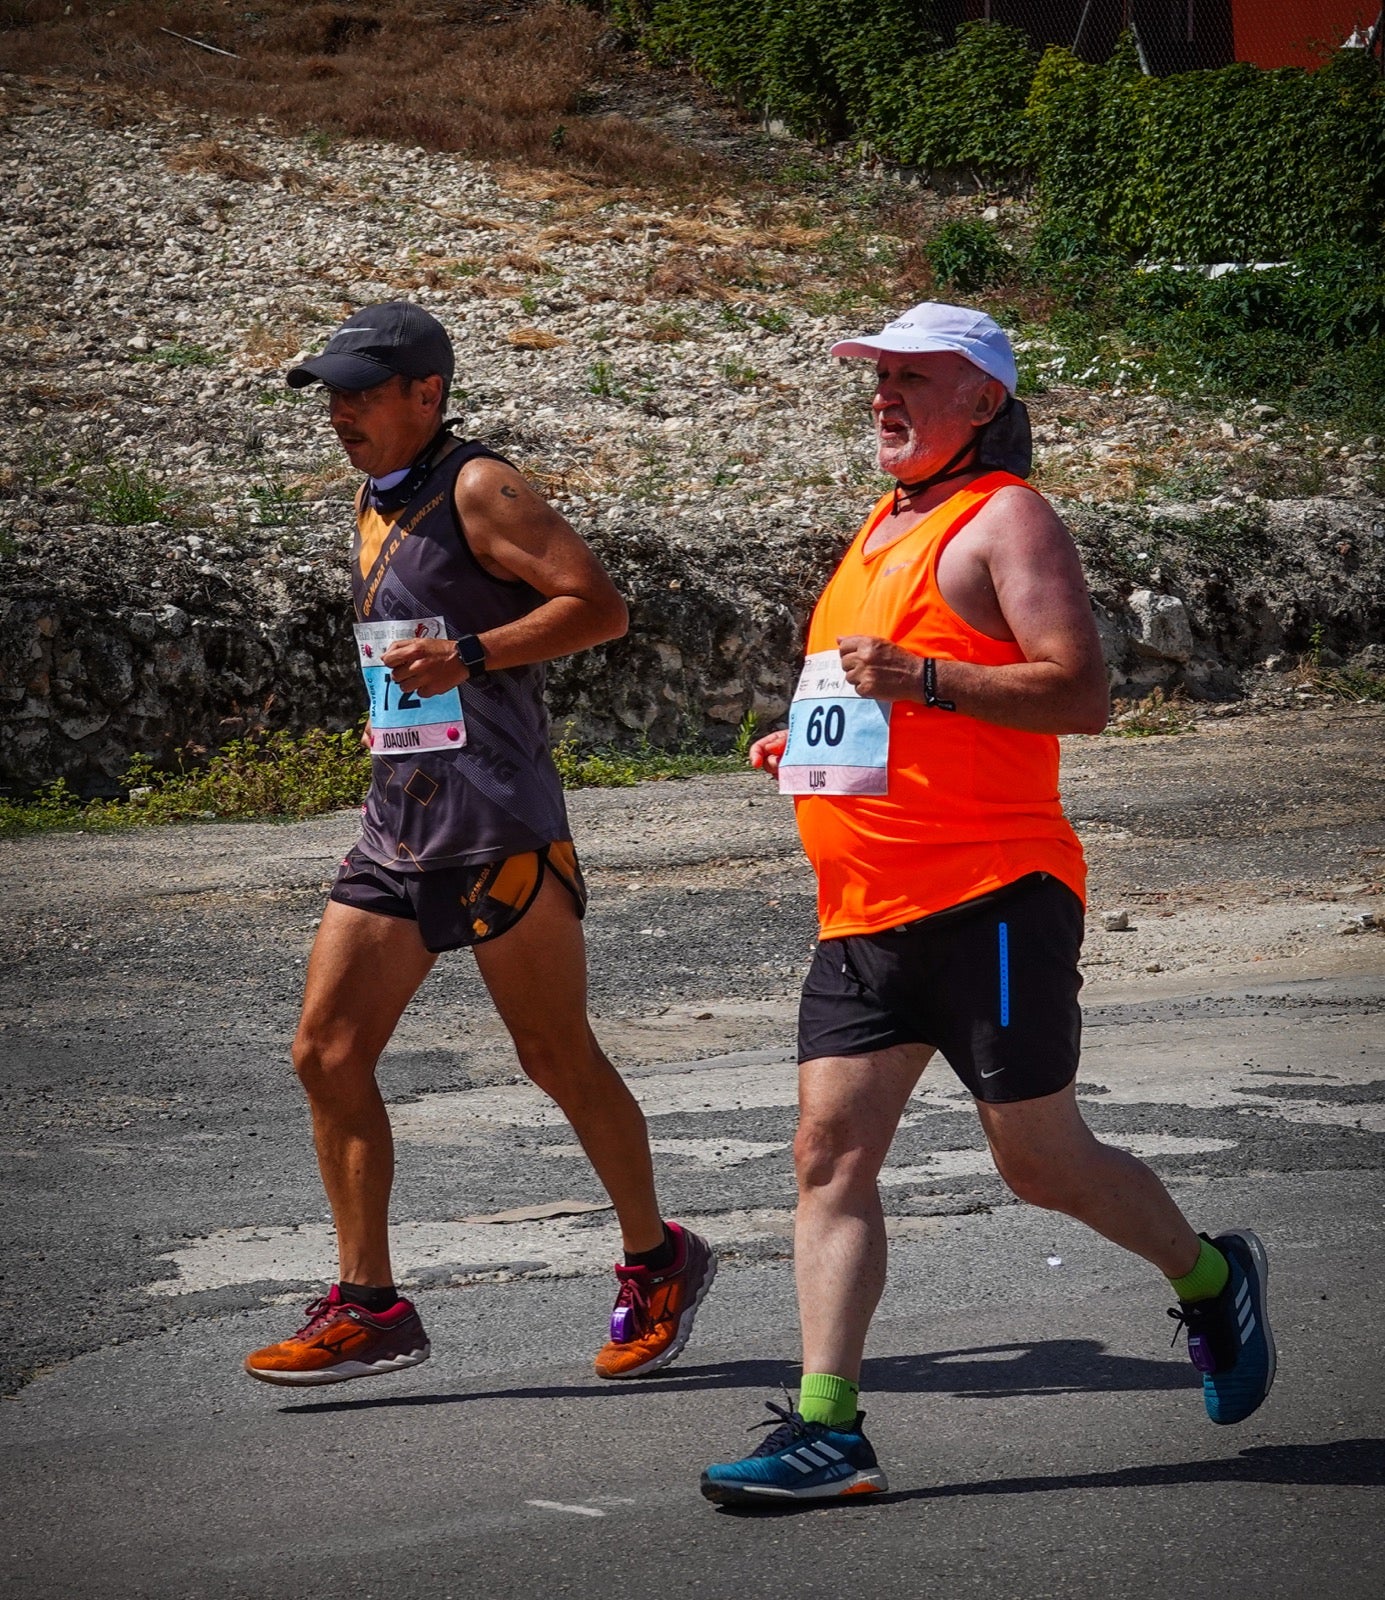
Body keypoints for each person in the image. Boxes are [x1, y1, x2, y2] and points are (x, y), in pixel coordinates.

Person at [700, 303, 1274, 1504]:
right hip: (861, 909)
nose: (883, 395)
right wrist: (805, 747)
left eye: (914, 376)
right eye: (876, 377)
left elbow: (1076, 691)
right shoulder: (879, 527)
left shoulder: (1003, 516)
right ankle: (827, 1429)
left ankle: (1211, 1278)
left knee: (1038, 1163)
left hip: (990, 898)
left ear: (982, 404)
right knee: (826, 1157)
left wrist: (923, 676)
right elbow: (880, 711)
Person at [243, 302, 714, 1387]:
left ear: (428, 395)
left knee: (553, 1055)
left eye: (362, 393)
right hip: (397, 820)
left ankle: (658, 1258)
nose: (341, 413)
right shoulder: (374, 493)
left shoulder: (478, 488)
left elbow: (597, 607)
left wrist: (469, 651)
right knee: (325, 1052)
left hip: (497, 821)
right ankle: (369, 1303)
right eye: (332, 395)